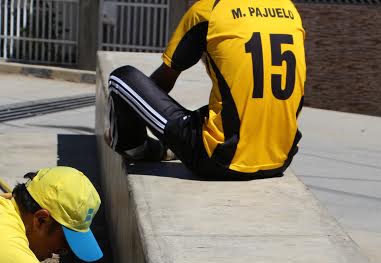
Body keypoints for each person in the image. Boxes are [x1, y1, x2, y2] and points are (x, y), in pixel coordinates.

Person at [106, 0, 306, 180]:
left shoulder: (210, 10)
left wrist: (137, 119)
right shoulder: (290, 10)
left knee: (122, 78)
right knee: (231, 105)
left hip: (218, 160)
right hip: (280, 159)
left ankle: (136, 149)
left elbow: (164, 80)